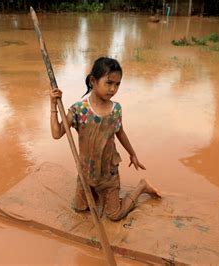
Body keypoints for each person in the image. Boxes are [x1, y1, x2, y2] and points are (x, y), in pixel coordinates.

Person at [49, 57, 161, 221]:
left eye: (117, 84)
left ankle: (142, 186)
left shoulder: (116, 109)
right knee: (80, 208)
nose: (113, 89)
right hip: (86, 172)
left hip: (108, 172)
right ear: (93, 81)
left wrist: (132, 153)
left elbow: (120, 132)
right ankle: (94, 192)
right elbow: (57, 133)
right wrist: (53, 106)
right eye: (109, 83)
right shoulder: (79, 110)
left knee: (114, 215)